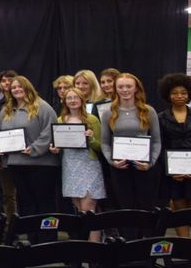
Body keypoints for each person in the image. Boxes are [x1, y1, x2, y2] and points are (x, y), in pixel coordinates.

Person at [0, 75, 58, 242]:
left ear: (27, 88)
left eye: (20, 87)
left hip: (42, 164)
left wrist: (35, 148)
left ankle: (48, 240)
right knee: (26, 203)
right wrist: (0, 149)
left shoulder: (42, 107)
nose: (16, 90)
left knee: (44, 203)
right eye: (13, 88)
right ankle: (33, 239)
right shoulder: (6, 110)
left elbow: (49, 131)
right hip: (16, 164)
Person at [101, 73, 161, 240]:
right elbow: (105, 143)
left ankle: (146, 249)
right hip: (120, 169)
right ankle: (128, 250)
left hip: (144, 169)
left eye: (129, 86)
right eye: (121, 87)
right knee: (124, 209)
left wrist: (150, 163)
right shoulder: (108, 112)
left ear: (136, 88)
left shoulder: (148, 111)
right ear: (116, 89)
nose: (125, 90)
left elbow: (156, 141)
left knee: (145, 209)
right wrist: (112, 161)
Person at [49, 87, 104, 241]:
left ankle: (93, 250)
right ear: (64, 101)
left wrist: (91, 138)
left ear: (82, 100)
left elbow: (101, 146)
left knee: (89, 209)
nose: (72, 101)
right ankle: (83, 247)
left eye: (76, 97)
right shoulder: (60, 120)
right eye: (69, 98)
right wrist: (54, 149)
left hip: (89, 165)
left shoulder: (92, 119)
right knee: (79, 209)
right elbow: (57, 145)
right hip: (70, 166)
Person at [158, 73, 191, 237]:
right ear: (168, 95)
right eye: (175, 93)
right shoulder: (161, 118)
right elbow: (160, 146)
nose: (179, 96)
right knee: (179, 211)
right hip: (173, 173)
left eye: (183, 92)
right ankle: (186, 249)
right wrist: (172, 171)